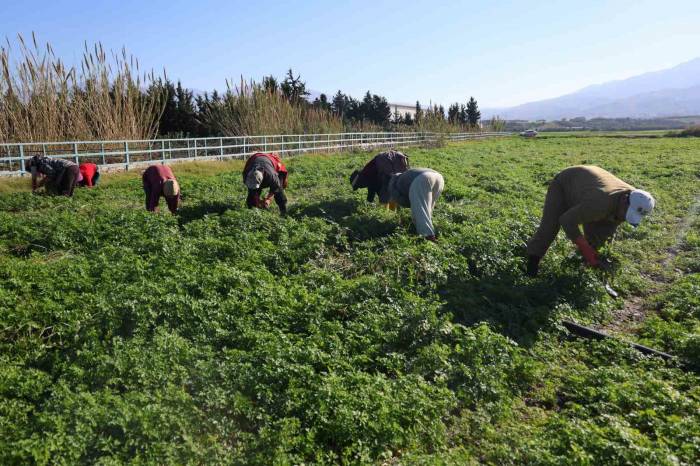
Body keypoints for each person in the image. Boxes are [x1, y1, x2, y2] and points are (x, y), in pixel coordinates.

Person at [526, 165, 655, 277]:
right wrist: (584, 247)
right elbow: (566, 220)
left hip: (591, 190)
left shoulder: (631, 200)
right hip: (566, 183)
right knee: (549, 228)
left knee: (600, 241)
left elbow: (609, 230)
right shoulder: (599, 203)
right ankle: (531, 265)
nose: (624, 219)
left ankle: (586, 274)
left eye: (629, 216)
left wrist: (598, 252)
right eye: (626, 214)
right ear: (624, 200)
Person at [386, 168, 445, 241]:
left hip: (423, 178)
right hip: (439, 178)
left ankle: (428, 236)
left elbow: (398, 199)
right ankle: (424, 228)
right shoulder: (405, 176)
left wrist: (393, 214)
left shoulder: (393, 183)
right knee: (427, 208)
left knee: (420, 209)